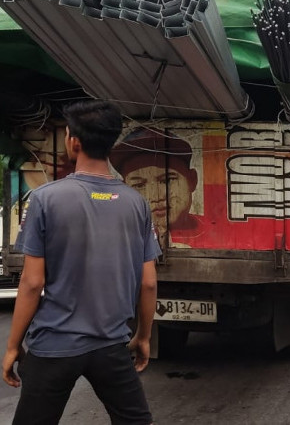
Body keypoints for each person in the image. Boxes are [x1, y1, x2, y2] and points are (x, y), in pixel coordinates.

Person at [2, 100, 160, 425]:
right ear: (111, 142)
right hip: (112, 346)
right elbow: (148, 283)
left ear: (73, 141)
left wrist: (13, 346)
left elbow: (32, 283)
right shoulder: (136, 203)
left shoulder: (47, 199)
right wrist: (143, 337)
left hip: (53, 346)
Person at [110, 127, 206, 248]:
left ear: (192, 180)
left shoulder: (217, 230)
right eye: (139, 185)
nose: (156, 196)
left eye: (167, 180)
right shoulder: (118, 238)